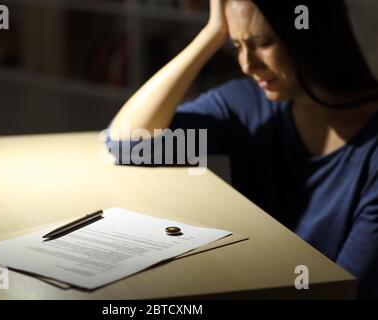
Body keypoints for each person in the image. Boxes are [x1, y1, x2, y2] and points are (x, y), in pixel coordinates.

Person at [105, 0, 378, 299]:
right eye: (236, 45)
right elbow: (129, 145)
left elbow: (348, 292)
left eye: (262, 43)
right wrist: (211, 33)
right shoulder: (250, 105)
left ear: (310, 35)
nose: (247, 64)